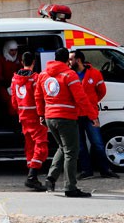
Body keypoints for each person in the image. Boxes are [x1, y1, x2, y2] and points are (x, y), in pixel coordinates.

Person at [34, 47, 96, 198]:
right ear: (67, 60)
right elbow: (80, 98)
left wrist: (41, 115)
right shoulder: (69, 74)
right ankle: (70, 187)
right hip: (66, 118)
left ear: (54, 58)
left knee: (63, 148)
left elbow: (38, 96)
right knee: (71, 152)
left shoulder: (43, 75)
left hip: (50, 118)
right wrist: (92, 115)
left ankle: (51, 178)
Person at [70, 50, 120, 179]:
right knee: (80, 145)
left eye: (71, 59)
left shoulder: (94, 74)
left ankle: (105, 169)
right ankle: (87, 170)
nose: (69, 62)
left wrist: (91, 103)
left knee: (97, 143)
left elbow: (101, 92)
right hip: (75, 115)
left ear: (79, 60)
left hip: (90, 114)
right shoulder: (69, 75)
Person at [10, 51, 49, 191]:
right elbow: (39, 98)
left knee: (30, 146)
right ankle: (32, 176)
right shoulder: (36, 78)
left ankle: (32, 174)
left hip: (23, 116)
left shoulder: (14, 79)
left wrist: (20, 112)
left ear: (22, 62)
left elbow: (14, 101)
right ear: (33, 62)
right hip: (35, 116)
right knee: (41, 145)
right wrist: (42, 114)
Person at [0, 40, 22, 114]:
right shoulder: (1, 59)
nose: (14, 52)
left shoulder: (19, 58)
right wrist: (8, 85)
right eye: (11, 50)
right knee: (10, 101)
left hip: (17, 84)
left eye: (15, 50)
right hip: (4, 85)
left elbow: (22, 71)